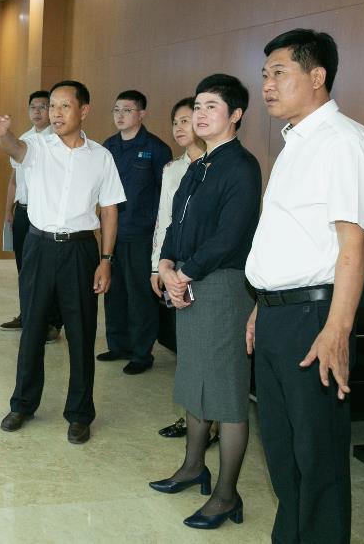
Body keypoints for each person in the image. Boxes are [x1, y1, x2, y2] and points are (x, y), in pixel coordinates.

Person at [245, 29, 364, 544]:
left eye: (279, 73)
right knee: (283, 453)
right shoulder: (293, 145)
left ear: (317, 76)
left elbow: (353, 246)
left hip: (314, 321)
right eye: (264, 75)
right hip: (278, 316)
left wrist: (336, 330)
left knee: (317, 457)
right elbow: (291, 241)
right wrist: (262, 305)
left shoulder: (344, 142)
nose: (267, 85)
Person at [0, 80, 125, 444]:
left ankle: (80, 414)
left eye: (64, 106)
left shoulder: (101, 157)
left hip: (81, 250)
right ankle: (22, 404)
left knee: (81, 332)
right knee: (32, 327)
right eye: (52, 106)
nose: (55, 113)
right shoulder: (37, 146)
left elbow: (109, 211)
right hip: (39, 247)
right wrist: (3, 133)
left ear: (84, 110)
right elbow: (14, 148)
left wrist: (106, 260)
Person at [150, 74, 261, 531]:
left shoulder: (241, 167)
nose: (199, 114)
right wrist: (166, 264)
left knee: (227, 394)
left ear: (235, 114)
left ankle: (227, 494)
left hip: (223, 288)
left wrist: (184, 273)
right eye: (197, 106)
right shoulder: (198, 166)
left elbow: (230, 236)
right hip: (189, 281)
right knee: (194, 380)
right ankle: (194, 467)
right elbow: (175, 224)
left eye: (211, 106)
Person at [99, 90, 171, 374]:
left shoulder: (156, 148)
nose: (120, 115)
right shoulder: (108, 146)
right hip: (112, 232)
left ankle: (142, 353)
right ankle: (119, 345)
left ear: (142, 114)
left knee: (140, 295)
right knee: (113, 291)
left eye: (127, 110)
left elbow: (164, 195)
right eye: (116, 110)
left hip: (141, 234)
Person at [149, 97, 208, 438]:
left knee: (206, 350)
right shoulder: (172, 169)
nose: (179, 128)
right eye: (175, 122)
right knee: (184, 348)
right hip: (174, 267)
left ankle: (211, 421)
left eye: (186, 120)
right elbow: (164, 220)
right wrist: (156, 266)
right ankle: (190, 418)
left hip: (209, 270)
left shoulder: (220, 166)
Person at [0, 90, 62, 342]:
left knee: (47, 270)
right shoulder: (22, 140)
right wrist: (9, 209)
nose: (37, 112)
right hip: (24, 212)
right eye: (33, 107)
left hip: (46, 215)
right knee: (24, 267)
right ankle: (27, 314)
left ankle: (52, 322)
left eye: (43, 107)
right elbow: (15, 179)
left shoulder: (57, 140)